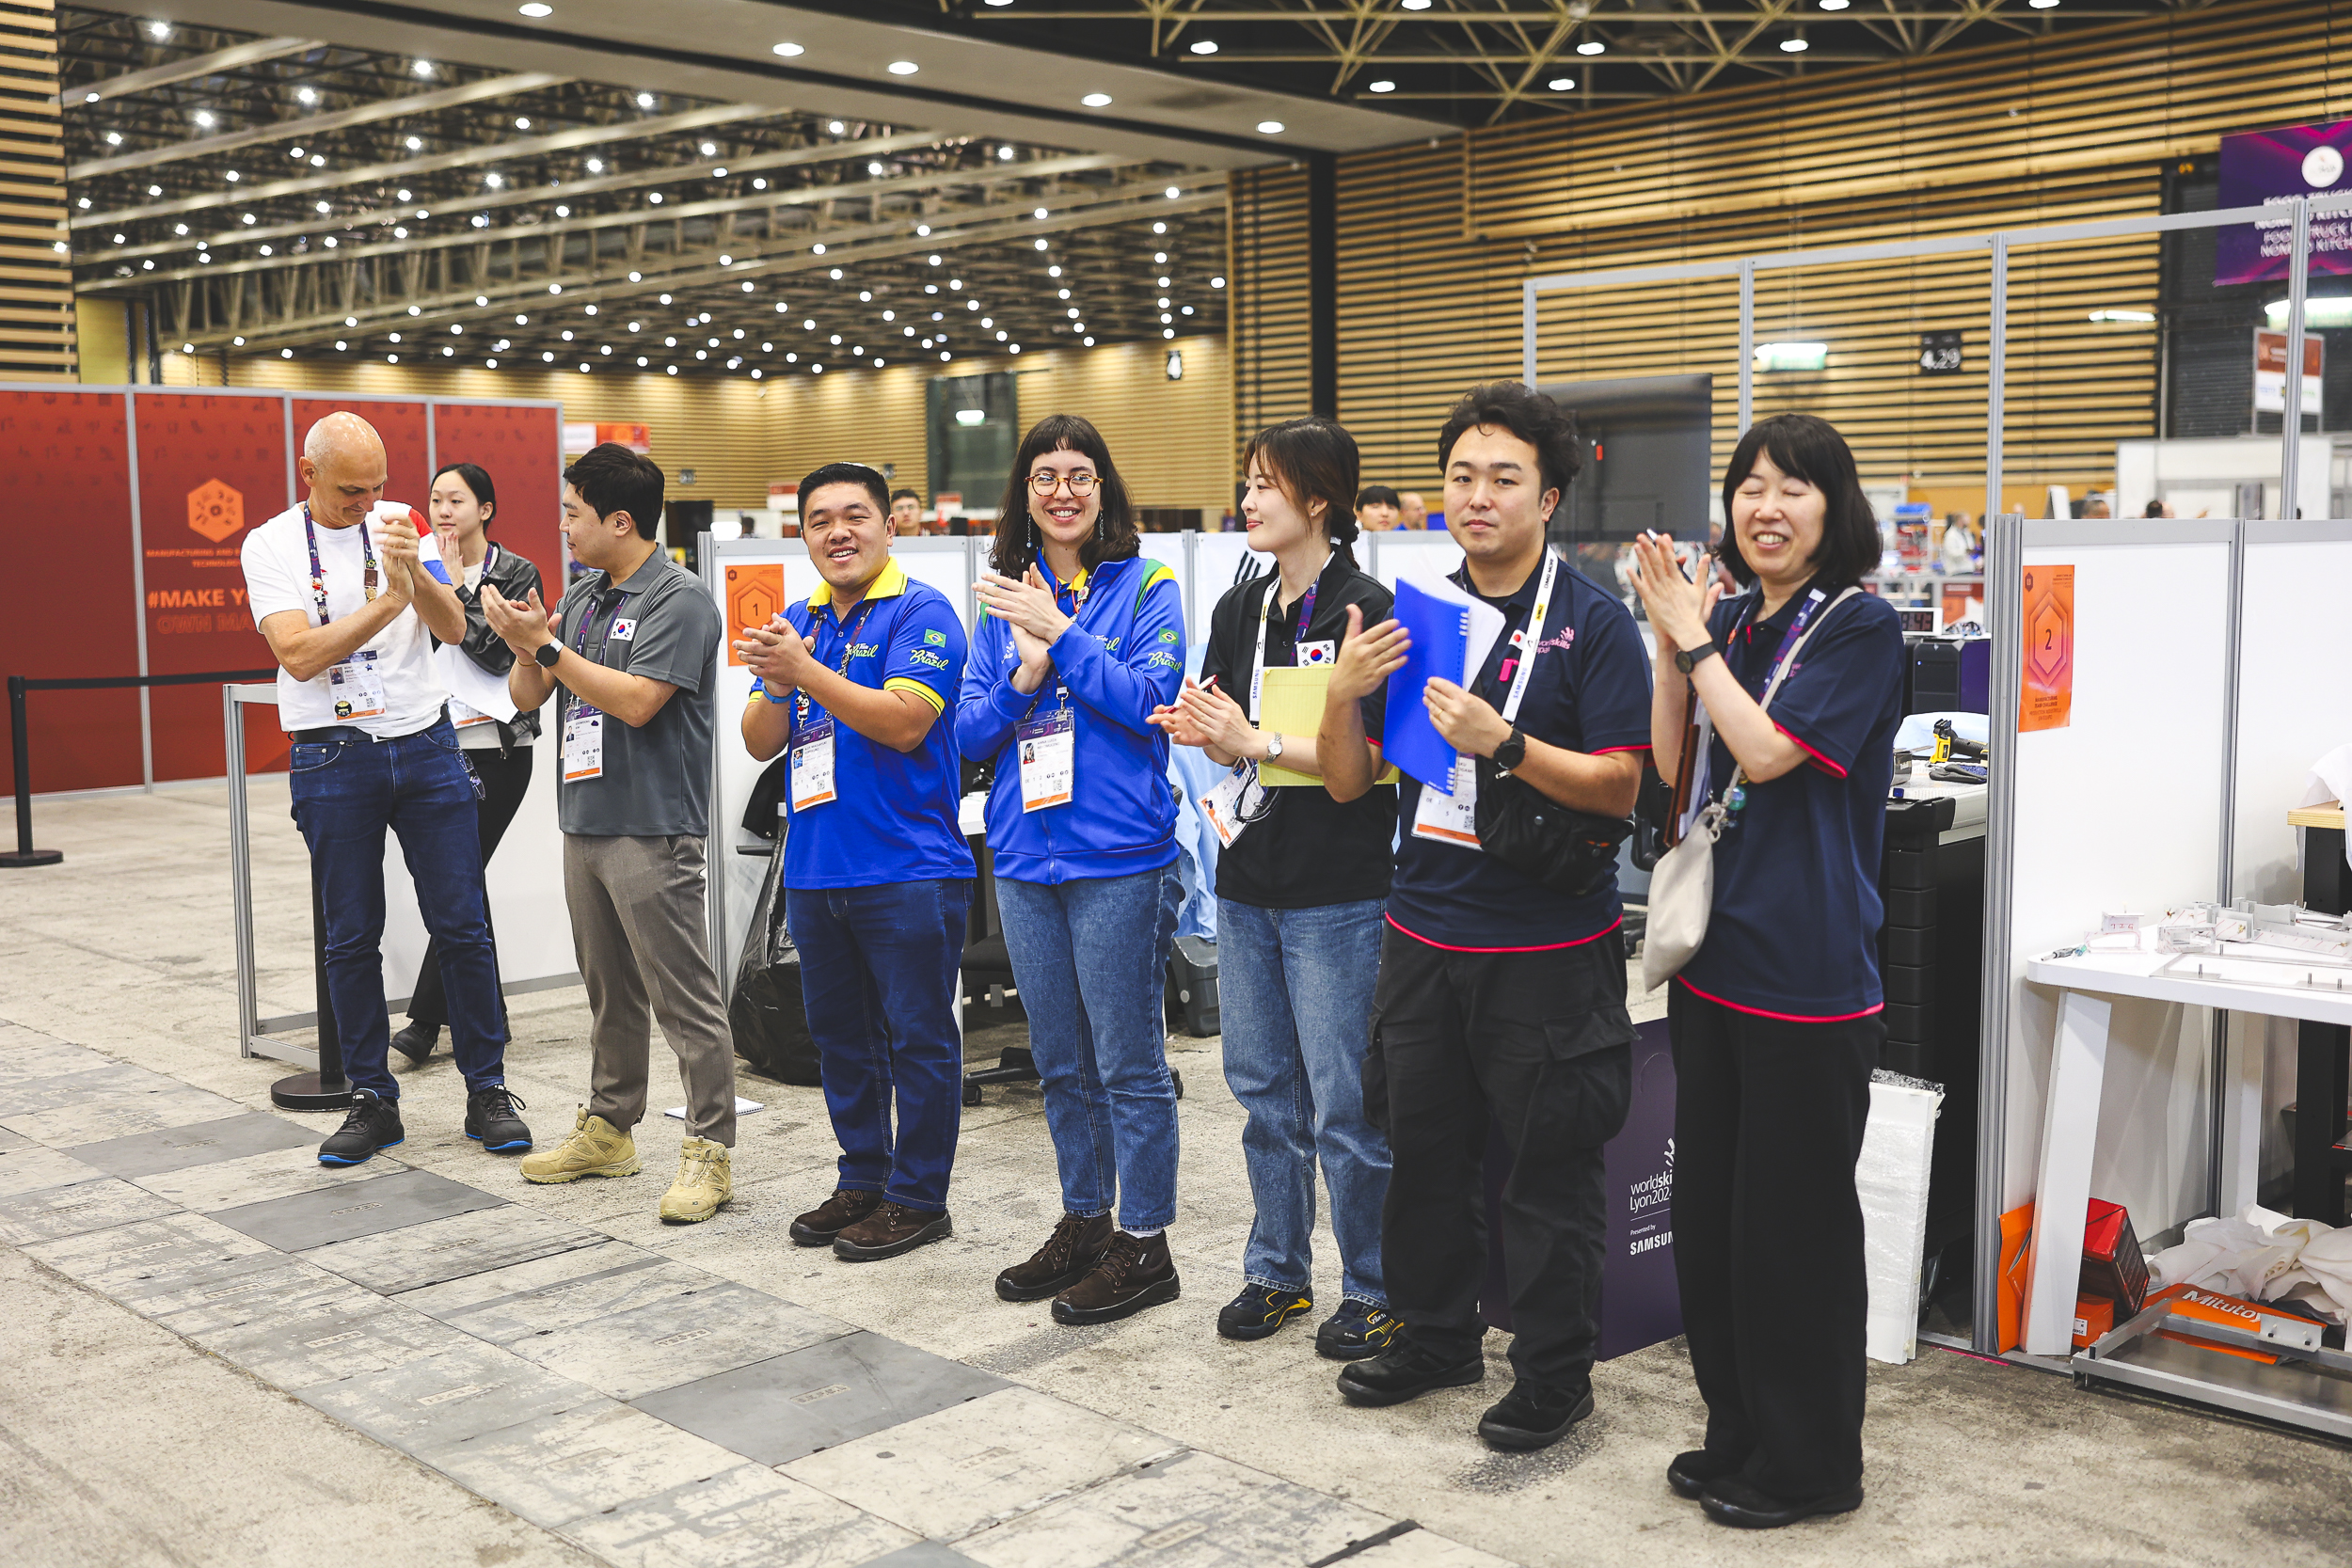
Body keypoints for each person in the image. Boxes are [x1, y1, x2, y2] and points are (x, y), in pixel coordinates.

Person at [1318, 381, 1650, 1453]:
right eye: (1462, 475)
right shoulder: (1417, 617)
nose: (1478, 495)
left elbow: (1621, 786)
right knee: (1423, 1151)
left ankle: (1553, 1371)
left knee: (1548, 1165)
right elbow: (1347, 783)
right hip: (1422, 931)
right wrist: (1339, 694)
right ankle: (1435, 1334)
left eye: (1504, 477)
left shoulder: (1593, 623)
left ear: (1548, 497)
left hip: (1547, 943)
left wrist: (1503, 742)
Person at [1628, 413, 1903, 1531]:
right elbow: (1674, 763)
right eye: (1748, 486)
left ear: (1832, 508)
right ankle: (1738, 1425)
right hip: (1713, 960)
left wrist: (1691, 642)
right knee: (1715, 1219)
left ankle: (1810, 1462)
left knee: (1794, 1228)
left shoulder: (1859, 624)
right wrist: (1669, 649)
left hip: (1808, 974)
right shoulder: (1729, 616)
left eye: (1792, 487)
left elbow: (1768, 751)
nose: (1765, 506)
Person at [1152, 418, 1398, 1358]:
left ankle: (1372, 1285)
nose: (1247, 498)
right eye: (1246, 482)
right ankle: (1277, 1270)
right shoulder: (1242, 605)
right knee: (1262, 1090)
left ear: (1318, 499)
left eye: (1265, 483)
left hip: (1337, 886)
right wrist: (1204, 727)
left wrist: (1255, 741)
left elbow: (1369, 764)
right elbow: (1225, 729)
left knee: (1344, 1099)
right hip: (1247, 877)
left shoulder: (1363, 608)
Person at [240, 412, 530, 1165]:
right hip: (333, 753)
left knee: (463, 922)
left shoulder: (400, 523)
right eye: (348, 493)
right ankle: (373, 1097)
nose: (366, 505)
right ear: (309, 477)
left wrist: (420, 573)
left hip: (427, 742)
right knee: (350, 932)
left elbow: (457, 630)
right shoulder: (270, 544)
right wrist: (390, 600)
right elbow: (299, 654)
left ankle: (487, 1087)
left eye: (375, 488)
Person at [957, 413, 1187, 1325]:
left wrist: (1062, 637)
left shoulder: (1148, 585)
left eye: (1078, 474)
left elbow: (1152, 703)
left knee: (1128, 1061)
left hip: (1119, 859)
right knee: (1059, 1061)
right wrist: (1021, 676)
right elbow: (968, 733)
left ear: (1103, 488)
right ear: (1026, 491)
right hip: (1023, 856)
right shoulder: (1000, 596)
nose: (1061, 490)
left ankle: (1147, 1241)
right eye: (1045, 475)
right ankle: (1086, 1220)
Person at [485, 442, 739, 1224]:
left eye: (572, 512)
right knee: (609, 993)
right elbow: (531, 690)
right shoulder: (588, 595)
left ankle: (710, 1148)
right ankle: (610, 1126)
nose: (561, 526)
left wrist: (550, 646)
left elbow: (637, 702)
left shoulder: (681, 598)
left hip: (652, 827)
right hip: (585, 820)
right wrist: (529, 642)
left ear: (620, 520)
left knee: (682, 995)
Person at [739, 462, 975, 1262]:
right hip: (815, 866)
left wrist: (805, 670)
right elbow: (759, 738)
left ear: (887, 525)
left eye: (854, 516)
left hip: (908, 868)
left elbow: (906, 722)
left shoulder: (924, 611)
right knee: (841, 1039)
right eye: (819, 520)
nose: (837, 532)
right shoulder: (801, 617)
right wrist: (781, 675)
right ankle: (862, 1178)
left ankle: (918, 1196)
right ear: (802, 534)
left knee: (918, 1039)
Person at [391, 463, 545, 1068]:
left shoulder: (515, 572)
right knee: (463, 882)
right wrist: (436, 583)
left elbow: (492, 651)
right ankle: (488, 1016)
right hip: (435, 741)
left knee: (460, 876)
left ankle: (426, 1024)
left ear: (486, 508)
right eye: (435, 499)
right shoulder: (414, 564)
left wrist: (455, 592)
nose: (444, 510)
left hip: (499, 746)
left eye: (457, 499)